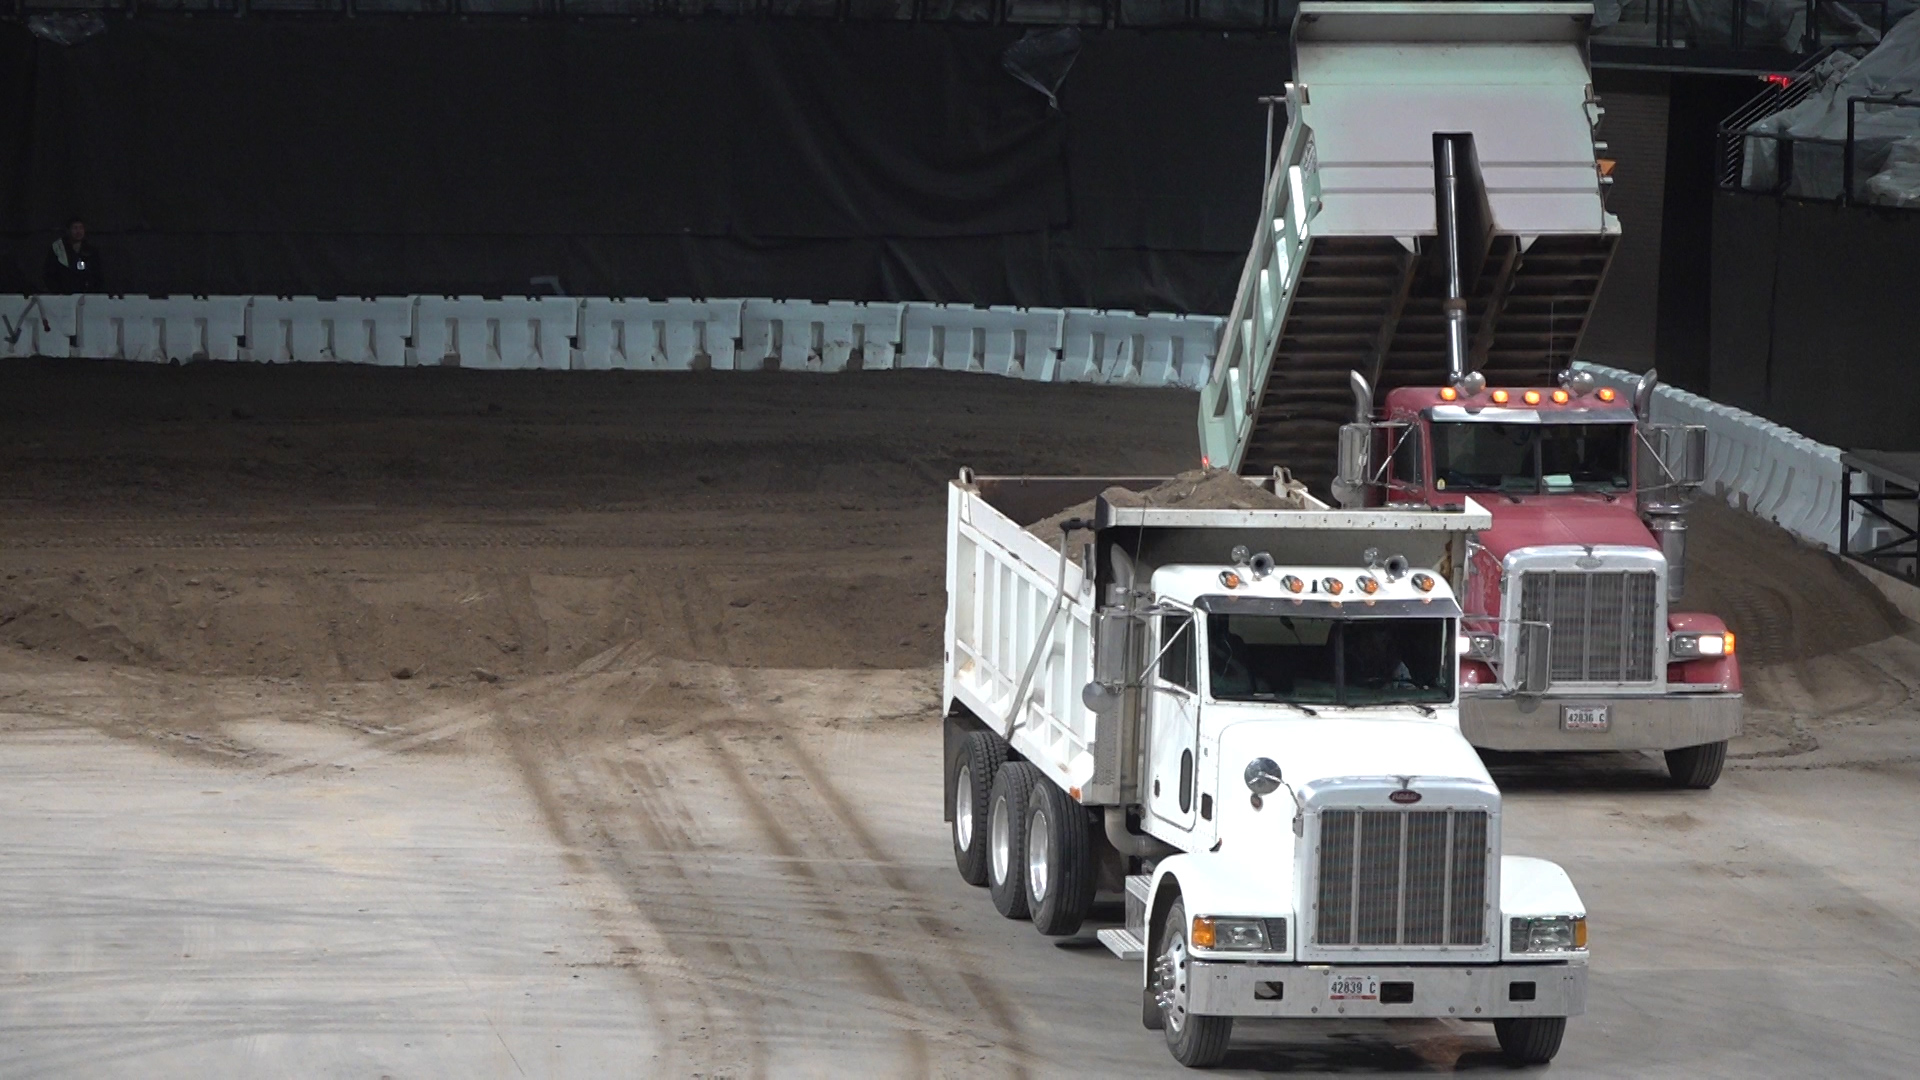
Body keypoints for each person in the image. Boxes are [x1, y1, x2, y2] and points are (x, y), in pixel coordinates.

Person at [43, 218, 102, 294]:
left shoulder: (91, 251)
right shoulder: (58, 249)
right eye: (75, 228)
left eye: (81, 228)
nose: (78, 231)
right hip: (63, 295)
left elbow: (97, 275)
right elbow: (49, 274)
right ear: (68, 230)